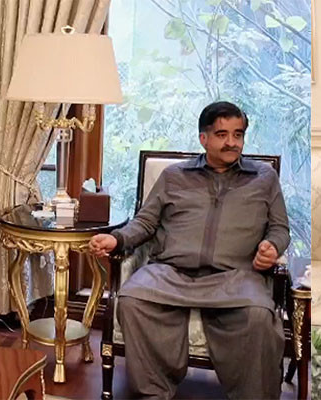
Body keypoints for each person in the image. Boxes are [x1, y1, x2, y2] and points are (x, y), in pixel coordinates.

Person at [90, 101, 290, 399]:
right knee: (132, 299)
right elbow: (145, 222)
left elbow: (280, 228)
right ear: (203, 138)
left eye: (238, 134)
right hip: (171, 272)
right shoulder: (174, 176)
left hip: (235, 277)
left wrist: (272, 246)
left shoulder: (263, 178)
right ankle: (154, 393)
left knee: (259, 316)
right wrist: (117, 239)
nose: (232, 142)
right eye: (222, 134)